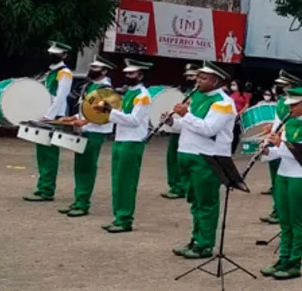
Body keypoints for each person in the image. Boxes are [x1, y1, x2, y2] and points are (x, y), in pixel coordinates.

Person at [260, 85, 302, 280]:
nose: (290, 109)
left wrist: (280, 144)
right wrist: (267, 151)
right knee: (284, 220)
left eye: (295, 105)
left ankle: (294, 263)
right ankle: (282, 259)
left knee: (297, 221)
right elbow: (282, 154)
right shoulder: (288, 123)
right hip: (284, 174)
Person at [170, 61, 237, 259]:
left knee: (206, 202)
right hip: (188, 153)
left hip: (208, 157)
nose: (198, 81)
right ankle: (196, 238)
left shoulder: (223, 103)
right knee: (194, 201)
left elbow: (209, 129)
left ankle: (205, 244)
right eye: (198, 76)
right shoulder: (196, 96)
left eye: (204, 78)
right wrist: (173, 121)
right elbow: (186, 125)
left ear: (216, 81)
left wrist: (186, 115)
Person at [86, 58, 152, 233]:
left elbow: (134, 120)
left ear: (141, 75)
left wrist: (108, 110)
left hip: (133, 142)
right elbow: (120, 115)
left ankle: (124, 219)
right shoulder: (128, 93)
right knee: (117, 181)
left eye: (132, 73)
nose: (128, 76)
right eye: (127, 73)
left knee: (127, 182)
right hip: (121, 140)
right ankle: (118, 217)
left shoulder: (143, 96)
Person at [57, 55, 116, 217]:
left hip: (95, 132)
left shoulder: (107, 90)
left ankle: (83, 203)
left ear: (104, 71)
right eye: (92, 68)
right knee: (80, 166)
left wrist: (85, 122)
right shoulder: (92, 86)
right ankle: (78, 200)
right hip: (85, 130)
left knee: (87, 168)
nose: (91, 71)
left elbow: (104, 115)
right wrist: (74, 117)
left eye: (96, 69)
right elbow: (87, 108)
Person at [24, 41, 73, 202]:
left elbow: (61, 96)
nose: (52, 56)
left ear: (64, 55)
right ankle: (42, 186)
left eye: (57, 53)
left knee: (50, 154)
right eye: (51, 53)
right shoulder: (51, 72)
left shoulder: (65, 73)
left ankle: (47, 190)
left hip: (54, 116)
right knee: (42, 153)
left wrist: (49, 116)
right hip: (44, 114)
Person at [261, 70, 302, 224]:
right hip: (275, 141)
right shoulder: (281, 102)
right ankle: (277, 209)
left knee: (282, 180)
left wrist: (279, 135)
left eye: (284, 85)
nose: (281, 88)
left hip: (285, 143)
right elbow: (279, 121)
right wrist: (271, 129)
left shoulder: (297, 104)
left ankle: (281, 212)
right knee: (275, 181)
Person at [161, 64, 199, 200]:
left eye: (192, 76)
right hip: (176, 128)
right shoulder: (182, 92)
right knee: (171, 159)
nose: (189, 78)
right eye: (187, 76)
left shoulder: (197, 94)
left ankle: (182, 187)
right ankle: (174, 185)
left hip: (188, 130)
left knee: (181, 161)